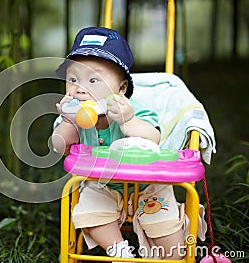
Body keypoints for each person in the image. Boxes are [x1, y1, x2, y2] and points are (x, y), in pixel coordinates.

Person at [52, 27, 187, 261]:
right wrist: (68, 122)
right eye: (73, 79)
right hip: (101, 184)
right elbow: (59, 146)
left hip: (147, 185)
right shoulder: (73, 119)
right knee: (90, 212)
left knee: (171, 244)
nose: (80, 88)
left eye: (93, 80)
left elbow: (153, 138)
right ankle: (119, 252)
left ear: (121, 89)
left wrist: (129, 121)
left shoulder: (134, 112)